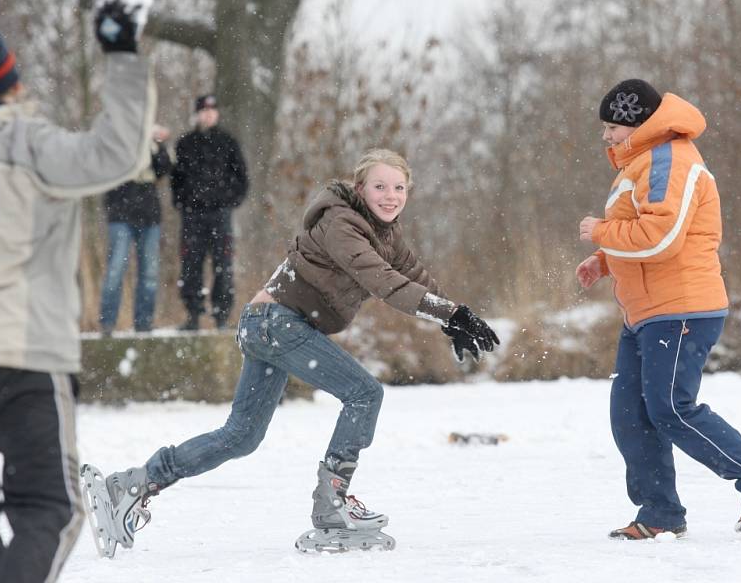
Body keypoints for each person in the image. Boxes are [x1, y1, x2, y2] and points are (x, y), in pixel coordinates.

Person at [81, 148, 500, 555]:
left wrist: (453, 317)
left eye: (400, 188)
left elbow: (414, 276)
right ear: (360, 187)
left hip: (268, 325)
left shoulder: (385, 233)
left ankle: (132, 484)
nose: (391, 197)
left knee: (240, 437)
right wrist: (451, 313)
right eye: (380, 187)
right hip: (276, 323)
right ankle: (332, 500)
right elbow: (383, 281)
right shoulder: (341, 223)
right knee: (365, 394)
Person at [0, 0, 156, 583]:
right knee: (50, 508)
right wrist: (120, 54)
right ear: (6, 85)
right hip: (24, 359)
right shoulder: (29, 146)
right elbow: (116, 154)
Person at [577, 79, 741, 540]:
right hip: (646, 311)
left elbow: (661, 236)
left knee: (670, 409)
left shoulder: (670, 161)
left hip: (681, 308)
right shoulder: (641, 163)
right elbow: (640, 231)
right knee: (630, 414)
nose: (606, 137)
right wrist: (604, 261)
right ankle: (660, 514)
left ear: (636, 122)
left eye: (612, 127)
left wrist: (599, 233)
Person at [170, 94, 249, 330]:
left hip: (220, 216)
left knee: (223, 265)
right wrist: (183, 203)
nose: (209, 114)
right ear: (197, 114)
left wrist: (228, 201)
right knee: (190, 264)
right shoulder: (185, 143)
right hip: (192, 216)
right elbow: (176, 180)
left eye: (212, 110)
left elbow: (242, 180)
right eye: (204, 110)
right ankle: (193, 315)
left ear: (217, 113)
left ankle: (221, 316)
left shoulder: (229, 142)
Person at [99, 124, 172, 335]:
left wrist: (156, 144)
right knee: (115, 270)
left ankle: (144, 323)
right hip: (120, 213)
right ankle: (107, 323)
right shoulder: (115, 139)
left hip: (149, 215)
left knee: (149, 273)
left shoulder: (152, 142)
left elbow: (163, 169)